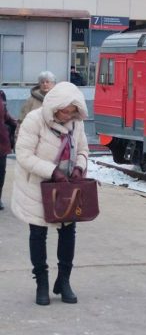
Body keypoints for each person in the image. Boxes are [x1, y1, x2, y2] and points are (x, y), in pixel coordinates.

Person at [10, 82, 89, 306]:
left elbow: (83, 149)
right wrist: (52, 171)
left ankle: (63, 280)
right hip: (37, 186)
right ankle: (42, 282)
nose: (69, 117)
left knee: (68, 233)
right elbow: (23, 155)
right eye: (66, 111)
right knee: (38, 234)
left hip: (66, 188)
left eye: (73, 112)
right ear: (54, 107)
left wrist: (79, 167)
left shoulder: (76, 123)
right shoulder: (35, 121)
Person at [16, 71, 56, 140]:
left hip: (55, 137)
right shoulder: (31, 100)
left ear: (53, 84)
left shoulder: (59, 99)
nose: (45, 84)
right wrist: (18, 137)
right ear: (39, 84)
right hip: (34, 137)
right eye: (42, 82)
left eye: (47, 82)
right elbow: (22, 120)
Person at [0, 90, 17, 211]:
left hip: (1, 142)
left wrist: (17, 123)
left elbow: (5, 115)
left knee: (1, 173)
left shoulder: (1, 95)